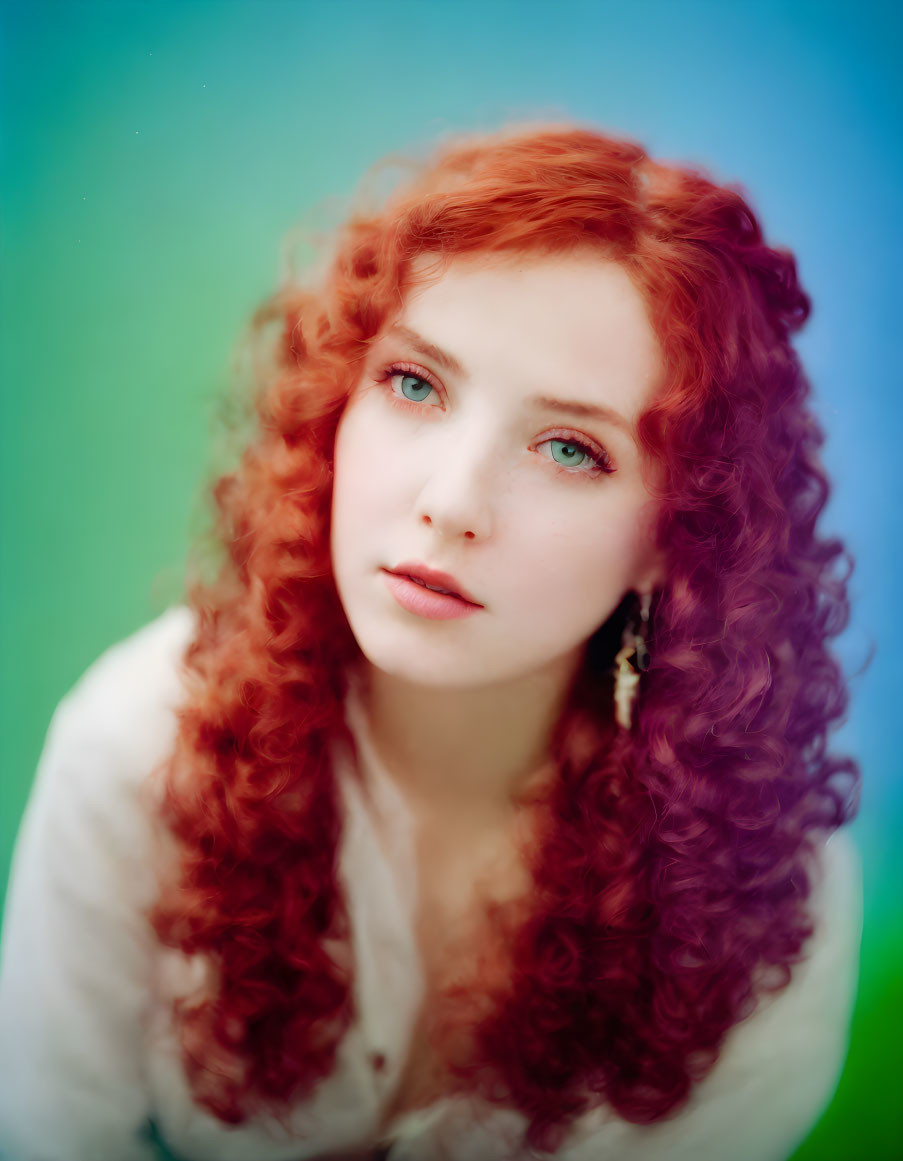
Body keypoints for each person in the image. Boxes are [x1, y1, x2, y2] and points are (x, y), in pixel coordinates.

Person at [0, 123, 863, 1161]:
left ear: (677, 538)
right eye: (415, 384)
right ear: (340, 405)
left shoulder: (766, 909)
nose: (451, 503)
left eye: (569, 449)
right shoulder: (135, 751)